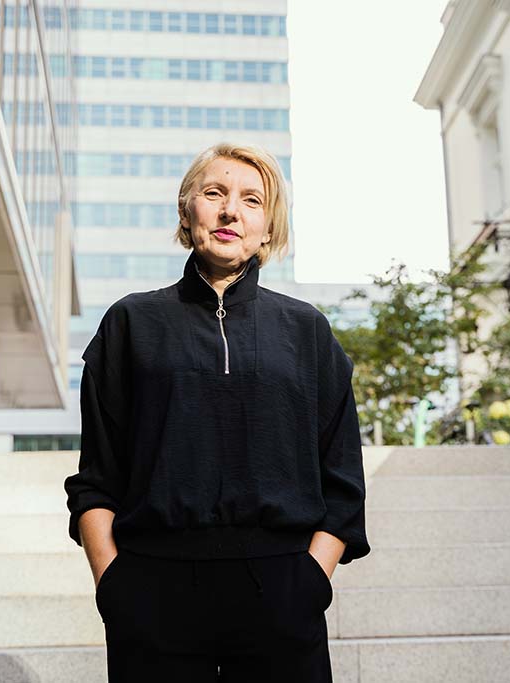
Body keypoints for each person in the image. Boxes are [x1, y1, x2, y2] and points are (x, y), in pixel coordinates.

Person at [64, 141, 370, 682]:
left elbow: (343, 480)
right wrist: (113, 584)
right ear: (187, 212)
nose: (231, 211)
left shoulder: (307, 331)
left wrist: (310, 579)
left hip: (283, 588)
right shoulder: (130, 323)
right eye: (214, 193)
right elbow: (97, 478)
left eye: (252, 200)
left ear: (267, 229)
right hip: (153, 589)